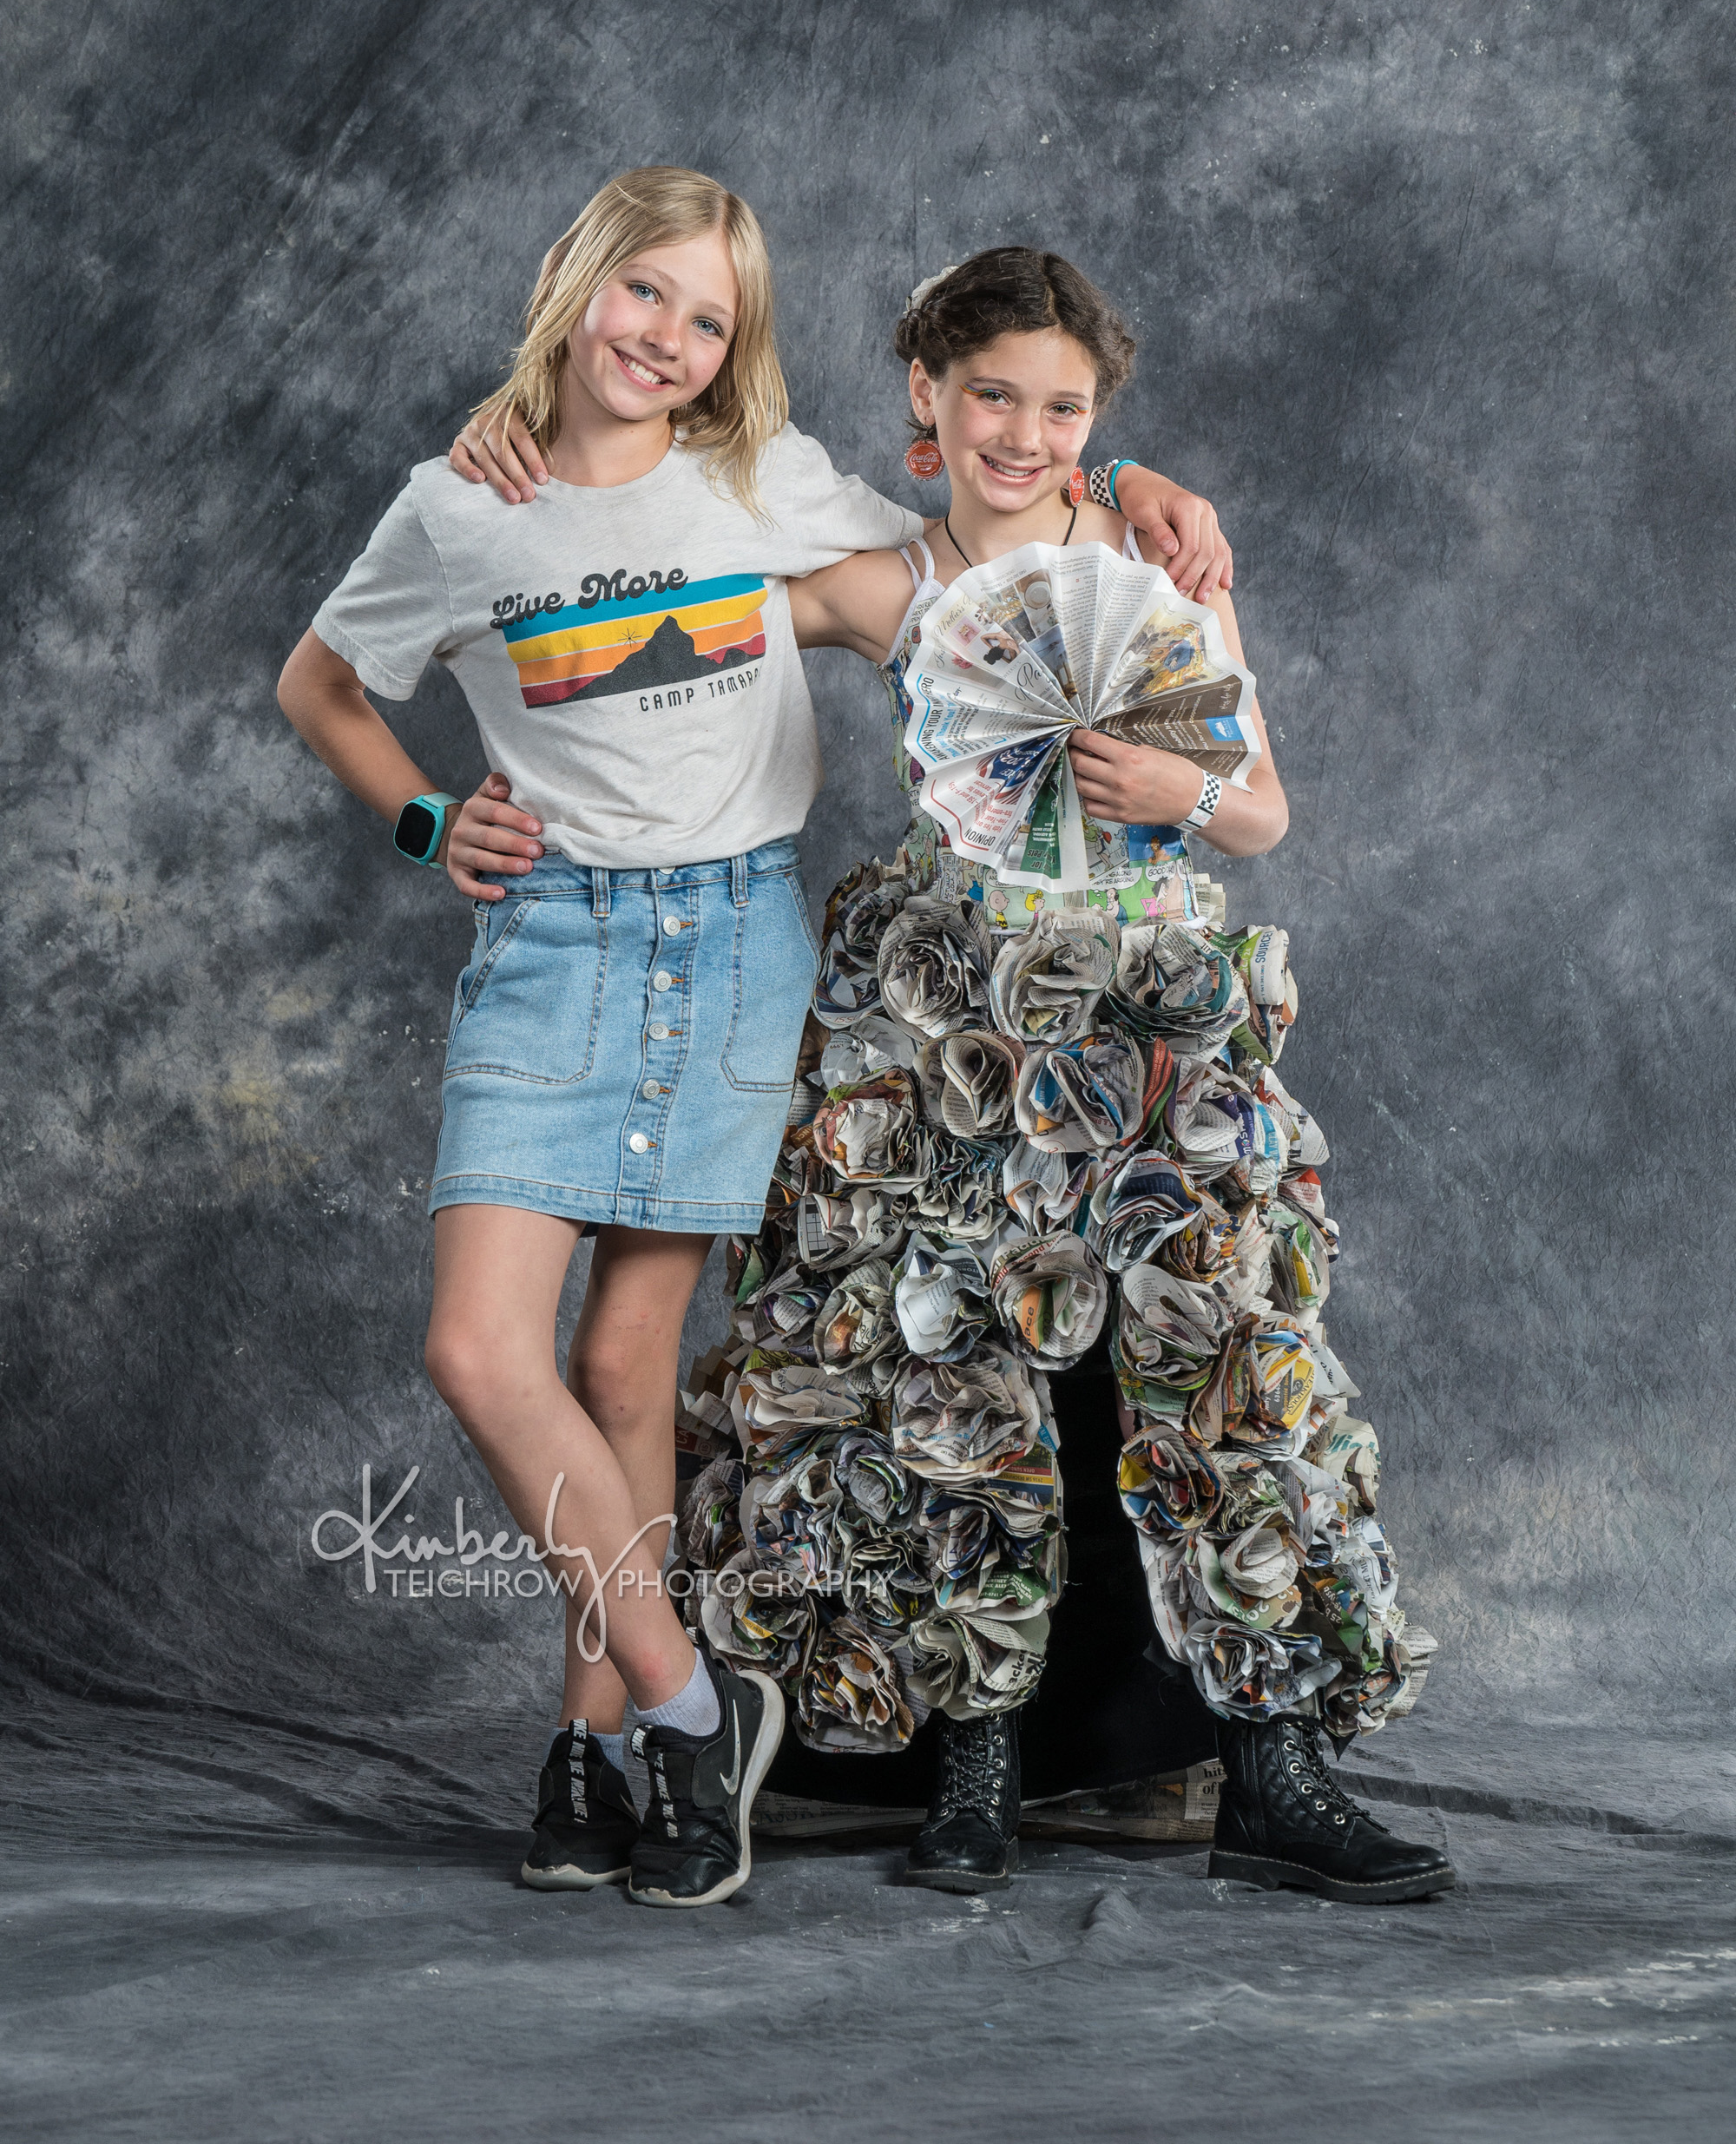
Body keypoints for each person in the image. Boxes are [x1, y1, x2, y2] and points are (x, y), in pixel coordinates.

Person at [279, 167, 1227, 1911]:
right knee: (484, 1350)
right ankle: (696, 1707)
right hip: (554, 951)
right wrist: (424, 820)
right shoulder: (460, 503)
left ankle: (599, 1746)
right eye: (644, 290)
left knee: (629, 1371)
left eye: (708, 317)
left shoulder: (764, 480)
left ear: (736, 349)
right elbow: (320, 683)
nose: (666, 335)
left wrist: (1131, 485)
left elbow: (980, 523)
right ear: (576, 281)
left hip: (730, 948)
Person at [661, 247, 1456, 1904]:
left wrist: (1177, 785)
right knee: (951, 1363)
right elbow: (673, 594)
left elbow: (1261, 813)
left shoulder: (1162, 560)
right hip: (947, 1018)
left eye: (1067, 408)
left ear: (1100, 418)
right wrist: (532, 470)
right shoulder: (885, 579)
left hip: (1152, 1007)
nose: (1025, 435)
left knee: (1221, 1352)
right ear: (928, 397)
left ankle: (1272, 1768)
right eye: (992, 397)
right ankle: (978, 1762)